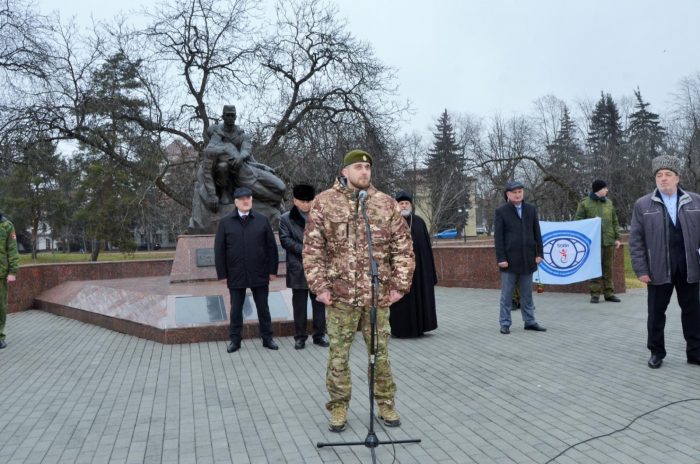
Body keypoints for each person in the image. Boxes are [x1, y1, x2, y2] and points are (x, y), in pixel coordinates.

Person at [303, 149, 415, 433]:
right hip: (340, 296)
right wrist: (320, 287)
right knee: (338, 356)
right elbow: (312, 250)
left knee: (380, 354)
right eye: (358, 167)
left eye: (368, 167)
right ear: (345, 171)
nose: (364, 172)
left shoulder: (385, 204)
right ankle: (339, 406)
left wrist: (400, 285)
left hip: (377, 297)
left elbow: (402, 247)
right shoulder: (324, 203)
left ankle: (385, 402)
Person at [629, 155, 700, 369]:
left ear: (678, 177)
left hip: (689, 268)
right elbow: (636, 241)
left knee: (693, 313)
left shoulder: (695, 201)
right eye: (659, 175)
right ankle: (656, 352)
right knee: (656, 314)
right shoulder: (643, 204)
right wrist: (641, 269)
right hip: (658, 269)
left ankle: (695, 352)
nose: (663, 179)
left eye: (668, 174)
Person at [214, 187, 280, 353]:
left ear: (251, 200)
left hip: (259, 272)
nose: (246, 201)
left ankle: (267, 338)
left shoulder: (262, 220)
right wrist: (222, 274)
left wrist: (272, 270)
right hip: (236, 273)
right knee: (236, 309)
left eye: (248, 198)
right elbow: (219, 250)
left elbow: (271, 247)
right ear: (235, 202)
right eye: (242, 199)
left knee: (263, 307)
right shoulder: (226, 222)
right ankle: (235, 340)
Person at [279, 184, 329, 350]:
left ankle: (319, 335)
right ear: (295, 201)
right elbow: (285, 240)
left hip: (318, 268)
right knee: (299, 305)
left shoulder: (320, 216)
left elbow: (328, 237)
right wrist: (307, 250)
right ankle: (300, 337)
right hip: (298, 267)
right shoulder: (286, 218)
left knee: (319, 304)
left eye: (309, 200)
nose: (306, 204)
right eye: (303, 201)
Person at [494, 181, 547, 335]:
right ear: (508, 195)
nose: (518, 195)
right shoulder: (501, 211)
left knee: (527, 294)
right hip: (509, 261)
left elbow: (537, 233)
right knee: (507, 295)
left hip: (528, 259)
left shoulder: (531, 209)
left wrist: (539, 253)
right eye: (514, 192)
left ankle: (529, 321)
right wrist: (501, 258)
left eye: (520, 192)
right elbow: (499, 238)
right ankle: (505, 323)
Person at [389, 191, 438, 338]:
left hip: (419, 271)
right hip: (399, 270)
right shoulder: (391, 222)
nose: (404, 205)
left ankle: (420, 327)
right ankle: (400, 329)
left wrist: (431, 272)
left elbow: (426, 249)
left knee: (420, 297)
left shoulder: (418, 222)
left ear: (411, 205)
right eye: (401, 203)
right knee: (401, 300)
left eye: (406, 203)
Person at [575, 180, 622, 303]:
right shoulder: (585, 203)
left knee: (608, 269)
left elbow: (614, 221)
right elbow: (578, 221)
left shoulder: (609, 203)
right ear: (599, 189)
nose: (607, 190)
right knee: (595, 268)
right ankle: (595, 294)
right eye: (605, 188)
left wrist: (617, 238)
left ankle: (609, 293)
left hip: (608, 241)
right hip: (593, 242)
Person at [0, 212, 19, 350]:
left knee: (0, 306)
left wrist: (12, 271)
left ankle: (0, 337)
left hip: (1, 273)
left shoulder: (7, 225)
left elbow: (12, 249)